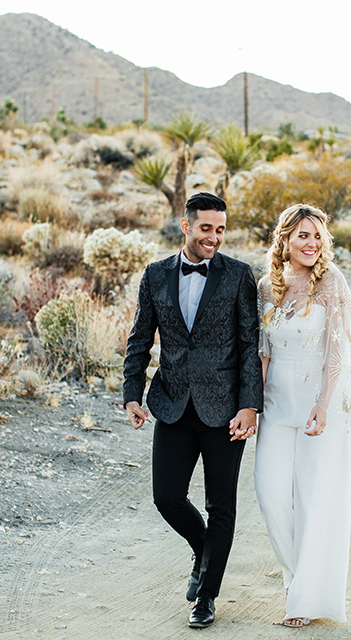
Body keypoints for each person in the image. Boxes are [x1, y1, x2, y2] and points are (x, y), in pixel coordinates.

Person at [122, 192, 264, 629]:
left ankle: (206, 596)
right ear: (186, 226)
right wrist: (131, 392)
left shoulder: (239, 276)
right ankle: (204, 551)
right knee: (166, 496)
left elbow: (248, 347)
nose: (214, 238)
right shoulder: (155, 275)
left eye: (221, 230)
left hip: (225, 411)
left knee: (222, 505)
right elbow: (140, 337)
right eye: (206, 229)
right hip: (172, 403)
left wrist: (249, 405)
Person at [254, 204, 351, 628]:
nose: (311, 243)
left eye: (317, 235)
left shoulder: (331, 282)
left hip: (317, 408)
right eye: (303, 235)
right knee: (270, 496)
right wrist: (252, 405)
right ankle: (297, 579)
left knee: (312, 501)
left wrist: (324, 403)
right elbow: (263, 352)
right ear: (285, 239)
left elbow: (336, 349)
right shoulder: (267, 286)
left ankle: (304, 597)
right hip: (274, 408)